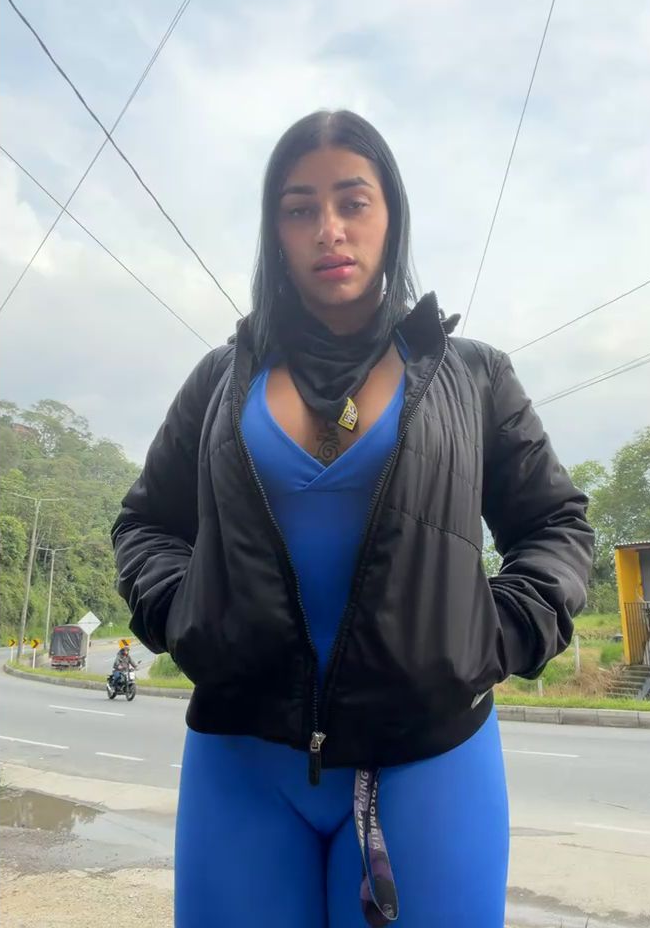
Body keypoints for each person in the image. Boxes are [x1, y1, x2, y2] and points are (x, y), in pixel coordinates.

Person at [112, 109, 593, 928]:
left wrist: (492, 636)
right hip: (242, 759)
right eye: (299, 208)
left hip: (429, 761)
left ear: (391, 215)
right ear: (275, 232)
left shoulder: (474, 376)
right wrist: (183, 616)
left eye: (352, 201)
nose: (328, 229)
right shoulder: (220, 381)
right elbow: (146, 524)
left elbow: (557, 525)